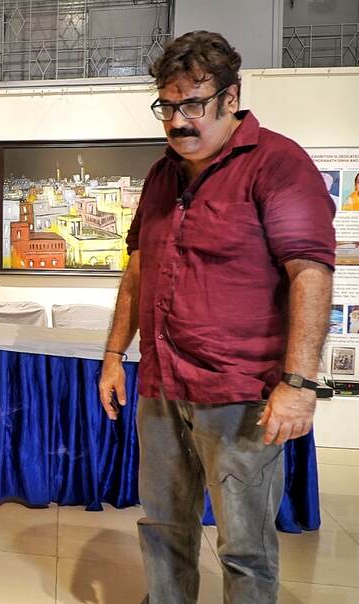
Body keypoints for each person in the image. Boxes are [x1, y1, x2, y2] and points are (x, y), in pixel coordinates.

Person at [97, 31, 334, 604]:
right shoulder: (161, 175)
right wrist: (112, 355)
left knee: (244, 547)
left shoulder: (278, 164)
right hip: (160, 386)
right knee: (162, 528)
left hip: (240, 392)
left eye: (193, 104)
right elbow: (137, 270)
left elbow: (311, 272)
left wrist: (298, 385)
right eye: (167, 106)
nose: (178, 121)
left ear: (231, 99)